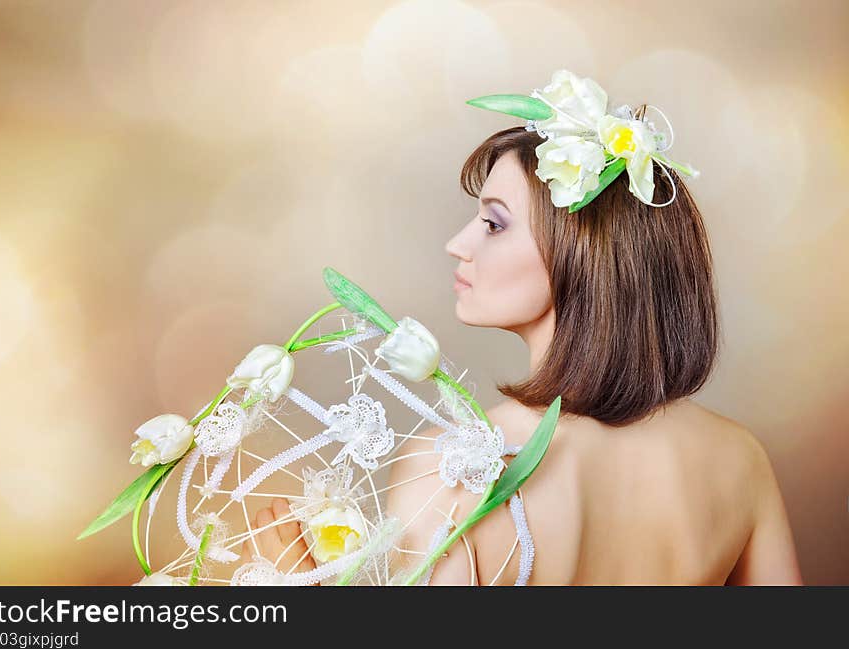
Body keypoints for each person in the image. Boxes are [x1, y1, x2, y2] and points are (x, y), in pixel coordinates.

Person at [242, 110, 803, 586]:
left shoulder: (456, 466)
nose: (457, 243)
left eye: (492, 224)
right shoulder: (740, 459)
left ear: (581, 254)